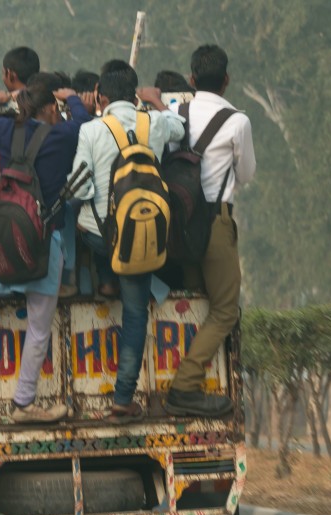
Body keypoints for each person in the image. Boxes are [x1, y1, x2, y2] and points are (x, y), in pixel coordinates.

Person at [0, 78, 93, 423]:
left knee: (8, 308)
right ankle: (23, 402)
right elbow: (86, 123)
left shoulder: (5, 131)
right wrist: (74, 98)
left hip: (5, 242)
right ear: (50, 108)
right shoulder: (62, 136)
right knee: (38, 327)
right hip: (47, 244)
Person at [69, 60, 185, 423]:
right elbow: (180, 129)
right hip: (143, 237)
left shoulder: (91, 129)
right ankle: (122, 399)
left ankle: (104, 278)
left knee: (89, 230)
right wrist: (160, 104)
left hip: (102, 239)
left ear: (100, 97)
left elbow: (80, 185)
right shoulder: (156, 123)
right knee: (136, 314)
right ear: (135, 95)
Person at [164, 44, 256, 418]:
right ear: (227, 81)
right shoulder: (237, 121)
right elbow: (246, 175)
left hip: (176, 224)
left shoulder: (174, 113)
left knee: (186, 298)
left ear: (191, 79)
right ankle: (185, 384)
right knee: (223, 310)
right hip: (216, 223)